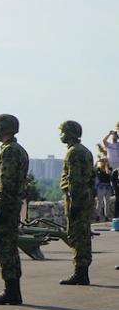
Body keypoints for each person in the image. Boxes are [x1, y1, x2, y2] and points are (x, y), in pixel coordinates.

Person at [0, 114, 28, 305]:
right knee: (9, 247)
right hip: (12, 204)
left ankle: (11, 291)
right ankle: (12, 290)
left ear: (3, 129)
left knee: (4, 247)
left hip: (7, 205)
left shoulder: (10, 151)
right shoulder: (16, 150)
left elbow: (6, 182)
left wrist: (0, 206)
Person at [59, 120, 94, 285]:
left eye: (63, 132)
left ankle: (80, 272)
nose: (61, 135)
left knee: (77, 235)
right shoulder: (85, 151)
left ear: (70, 133)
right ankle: (82, 272)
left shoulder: (73, 152)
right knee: (83, 235)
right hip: (85, 198)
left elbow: (74, 180)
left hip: (77, 199)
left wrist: (74, 204)